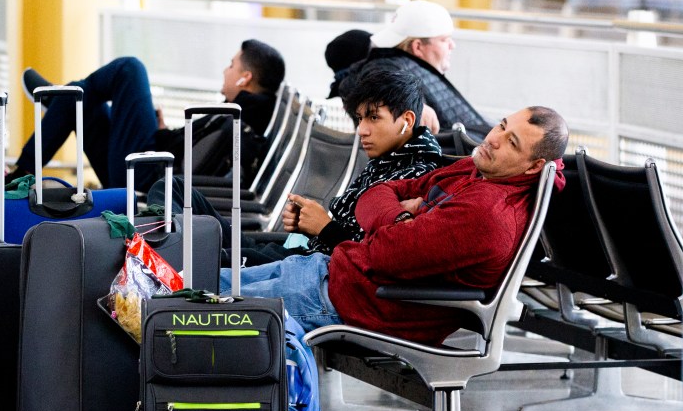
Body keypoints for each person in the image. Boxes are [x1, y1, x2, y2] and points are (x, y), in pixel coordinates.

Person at [219, 106, 570, 347]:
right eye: (502, 125)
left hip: (345, 302)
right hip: (328, 273)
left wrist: (396, 221)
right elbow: (377, 192)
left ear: (533, 167)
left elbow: (383, 254)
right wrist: (402, 219)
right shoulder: (473, 169)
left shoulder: (486, 215)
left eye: (511, 142)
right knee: (185, 282)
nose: (493, 138)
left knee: (191, 310)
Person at [150, 65, 444, 267]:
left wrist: (323, 227)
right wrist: (306, 225)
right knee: (173, 187)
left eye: (373, 118)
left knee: (200, 255)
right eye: (360, 119)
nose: (361, 130)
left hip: (305, 269)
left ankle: (167, 251)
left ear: (406, 120)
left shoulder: (414, 178)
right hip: (293, 251)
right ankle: (172, 246)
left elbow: (374, 257)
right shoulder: (387, 161)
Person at [11, 39, 285, 192]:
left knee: (130, 69)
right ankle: (58, 107)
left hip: (147, 178)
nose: (226, 70)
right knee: (82, 103)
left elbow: (196, 166)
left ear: (244, 78)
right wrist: (164, 130)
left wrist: (163, 134)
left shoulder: (239, 115)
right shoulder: (245, 113)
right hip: (151, 171)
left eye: (232, 65)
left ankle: (57, 99)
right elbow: (199, 154)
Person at [342, 0, 491, 139]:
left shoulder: (404, 63)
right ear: (417, 46)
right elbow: (376, 79)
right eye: (444, 40)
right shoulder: (387, 64)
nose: (452, 45)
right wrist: (408, 103)